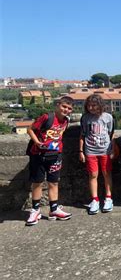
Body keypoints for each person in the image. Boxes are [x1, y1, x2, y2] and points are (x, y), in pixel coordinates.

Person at [25, 96, 74, 226]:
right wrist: (37, 142)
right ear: (57, 105)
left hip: (55, 155)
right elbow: (30, 129)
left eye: (69, 108)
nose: (66, 110)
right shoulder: (47, 117)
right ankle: (35, 210)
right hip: (39, 155)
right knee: (38, 183)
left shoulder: (66, 121)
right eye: (64, 106)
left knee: (54, 183)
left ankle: (54, 209)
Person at [79, 94, 115, 214]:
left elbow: (111, 134)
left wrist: (113, 149)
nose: (91, 108)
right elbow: (82, 135)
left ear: (100, 105)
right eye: (89, 105)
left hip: (105, 150)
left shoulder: (108, 117)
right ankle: (95, 200)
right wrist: (80, 151)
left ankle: (108, 198)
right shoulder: (85, 118)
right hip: (90, 150)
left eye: (94, 105)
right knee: (93, 175)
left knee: (106, 173)